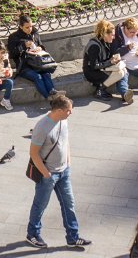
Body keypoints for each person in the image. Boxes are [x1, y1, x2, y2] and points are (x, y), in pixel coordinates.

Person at [26, 93, 91, 249]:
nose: (71, 113)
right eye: (68, 110)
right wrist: (46, 174)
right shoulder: (42, 127)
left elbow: (65, 141)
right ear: (59, 110)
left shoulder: (64, 121)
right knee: (40, 205)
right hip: (48, 174)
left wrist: (68, 161)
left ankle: (73, 237)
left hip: (64, 171)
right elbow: (33, 153)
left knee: (69, 204)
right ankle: (32, 234)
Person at [6, 15, 57, 99]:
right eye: (27, 27)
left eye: (31, 26)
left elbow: (41, 45)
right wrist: (23, 46)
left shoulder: (34, 32)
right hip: (24, 66)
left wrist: (39, 48)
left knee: (46, 74)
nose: (30, 29)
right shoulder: (14, 37)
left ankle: (53, 92)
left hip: (38, 63)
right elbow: (12, 54)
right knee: (37, 77)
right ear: (21, 27)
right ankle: (49, 97)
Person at [83, 19, 132, 103]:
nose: (114, 37)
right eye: (112, 35)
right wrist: (110, 62)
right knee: (120, 73)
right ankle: (100, 90)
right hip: (91, 72)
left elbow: (105, 57)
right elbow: (94, 66)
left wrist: (113, 59)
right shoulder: (94, 46)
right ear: (105, 34)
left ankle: (124, 93)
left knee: (123, 70)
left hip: (100, 68)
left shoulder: (105, 41)